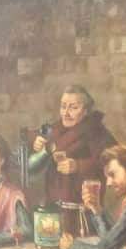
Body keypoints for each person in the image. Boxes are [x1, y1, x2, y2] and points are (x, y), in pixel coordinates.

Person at [27, 85, 116, 233]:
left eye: (73, 108)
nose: (66, 113)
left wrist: (79, 166)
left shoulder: (97, 132)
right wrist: (36, 142)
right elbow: (32, 136)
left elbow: (114, 162)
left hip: (83, 217)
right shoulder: (55, 129)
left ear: (86, 111)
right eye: (63, 107)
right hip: (53, 214)